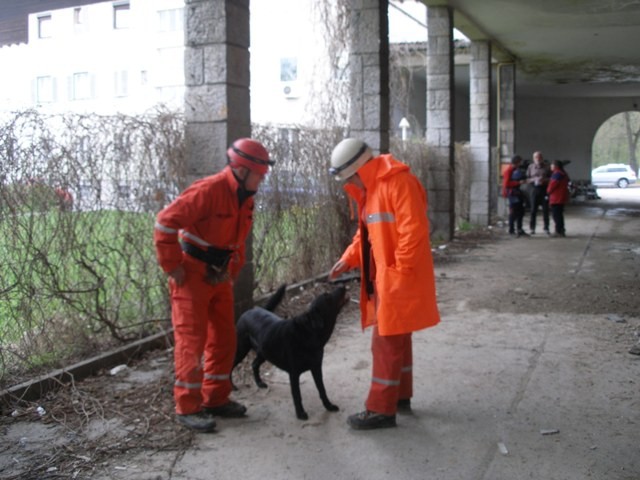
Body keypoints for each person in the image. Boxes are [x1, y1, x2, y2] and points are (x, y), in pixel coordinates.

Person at [153, 138, 274, 432]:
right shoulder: (208, 190)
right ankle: (187, 406)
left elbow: (238, 239)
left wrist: (231, 271)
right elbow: (165, 222)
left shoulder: (245, 196)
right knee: (190, 343)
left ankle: (216, 399)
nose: (262, 180)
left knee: (224, 339)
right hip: (192, 275)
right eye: (260, 174)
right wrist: (173, 266)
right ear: (243, 170)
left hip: (219, 276)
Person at [327, 138, 440, 430]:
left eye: (349, 177)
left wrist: (398, 275)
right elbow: (366, 237)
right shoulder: (375, 188)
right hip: (391, 277)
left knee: (385, 342)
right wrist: (348, 258)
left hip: (397, 278)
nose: (349, 183)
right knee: (398, 339)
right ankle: (398, 396)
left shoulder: (396, 183)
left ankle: (380, 409)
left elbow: (413, 232)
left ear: (359, 170)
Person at [502, 155, 528, 237]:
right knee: (513, 213)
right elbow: (506, 184)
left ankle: (519, 229)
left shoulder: (515, 170)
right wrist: (518, 183)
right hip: (512, 194)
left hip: (517, 193)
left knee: (520, 212)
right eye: (520, 162)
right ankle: (511, 230)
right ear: (517, 162)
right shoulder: (509, 171)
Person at [526, 151, 551, 235]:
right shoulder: (530, 167)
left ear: (542, 158)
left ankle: (546, 227)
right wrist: (534, 180)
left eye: (539, 157)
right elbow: (527, 179)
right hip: (534, 189)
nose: (538, 159)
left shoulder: (547, 167)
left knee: (545, 210)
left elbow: (551, 178)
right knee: (533, 209)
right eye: (536, 157)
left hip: (544, 190)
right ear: (533, 159)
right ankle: (532, 228)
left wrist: (544, 180)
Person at [547, 159, 570, 237]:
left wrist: (548, 191)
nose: (550, 166)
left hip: (556, 198)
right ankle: (561, 230)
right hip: (561, 197)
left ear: (555, 166)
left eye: (552, 165)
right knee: (559, 214)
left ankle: (558, 231)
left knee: (556, 215)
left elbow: (552, 185)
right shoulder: (563, 174)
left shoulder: (557, 174)